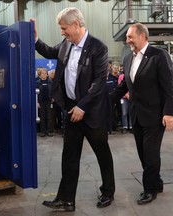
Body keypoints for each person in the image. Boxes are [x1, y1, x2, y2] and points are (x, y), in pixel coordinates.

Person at [30, 7, 115, 211]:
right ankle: (66, 199)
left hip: (91, 113)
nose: (62, 32)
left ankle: (108, 192)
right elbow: (51, 51)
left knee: (102, 154)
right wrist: (35, 39)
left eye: (64, 28)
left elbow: (99, 82)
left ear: (76, 24)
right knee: (69, 156)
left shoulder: (98, 47)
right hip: (70, 111)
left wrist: (82, 106)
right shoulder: (67, 44)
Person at [111, 22, 173, 205]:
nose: (127, 40)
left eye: (130, 36)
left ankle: (150, 189)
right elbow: (124, 86)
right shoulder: (128, 58)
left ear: (142, 36)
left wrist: (169, 113)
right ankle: (157, 181)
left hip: (155, 115)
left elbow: (169, 87)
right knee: (143, 153)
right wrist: (106, 100)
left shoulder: (159, 56)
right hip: (136, 114)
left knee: (150, 153)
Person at [36, 68, 54, 137]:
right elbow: (35, 93)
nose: (44, 74)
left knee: (49, 116)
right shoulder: (37, 82)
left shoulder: (50, 82)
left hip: (49, 101)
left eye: (45, 73)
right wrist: (37, 102)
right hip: (41, 102)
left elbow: (52, 91)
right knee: (42, 117)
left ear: (47, 75)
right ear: (40, 75)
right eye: (42, 73)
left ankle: (49, 131)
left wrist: (53, 98)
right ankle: (43, 131)